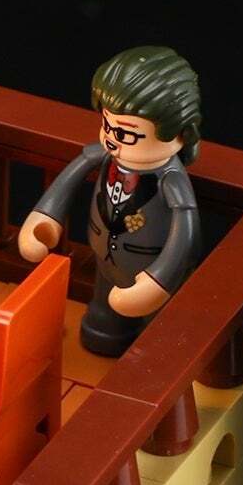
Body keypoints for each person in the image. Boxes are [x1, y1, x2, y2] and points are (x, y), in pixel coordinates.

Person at [18, 45, 203, 356]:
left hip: (148, 267)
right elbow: (65, 185)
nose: (113, 139)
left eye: (127, 134)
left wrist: (159, 279)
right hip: (106, 260)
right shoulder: (104, 158)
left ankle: (155, 358)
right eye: (108, 125)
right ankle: (105, 331)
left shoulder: (171, 181)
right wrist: (45, 218)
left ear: (180, 134)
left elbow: (185, 236)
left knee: (160, 336)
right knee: (103, 321)